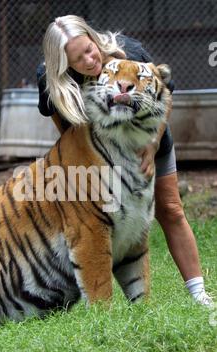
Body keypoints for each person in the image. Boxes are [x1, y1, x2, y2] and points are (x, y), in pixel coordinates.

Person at [36, 15, 213, 307]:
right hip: (100, 151)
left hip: (147, 140)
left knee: (170, 208)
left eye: (90, 49)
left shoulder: (130, 51)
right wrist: (80, 152)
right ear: (64, 64)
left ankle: (199, 294)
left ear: (94, 38)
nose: (90, 60)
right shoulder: (50, 77)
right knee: (101, 218)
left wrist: (152, 144)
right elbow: (56, 110)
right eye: (79, 59)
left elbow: (164, 94)